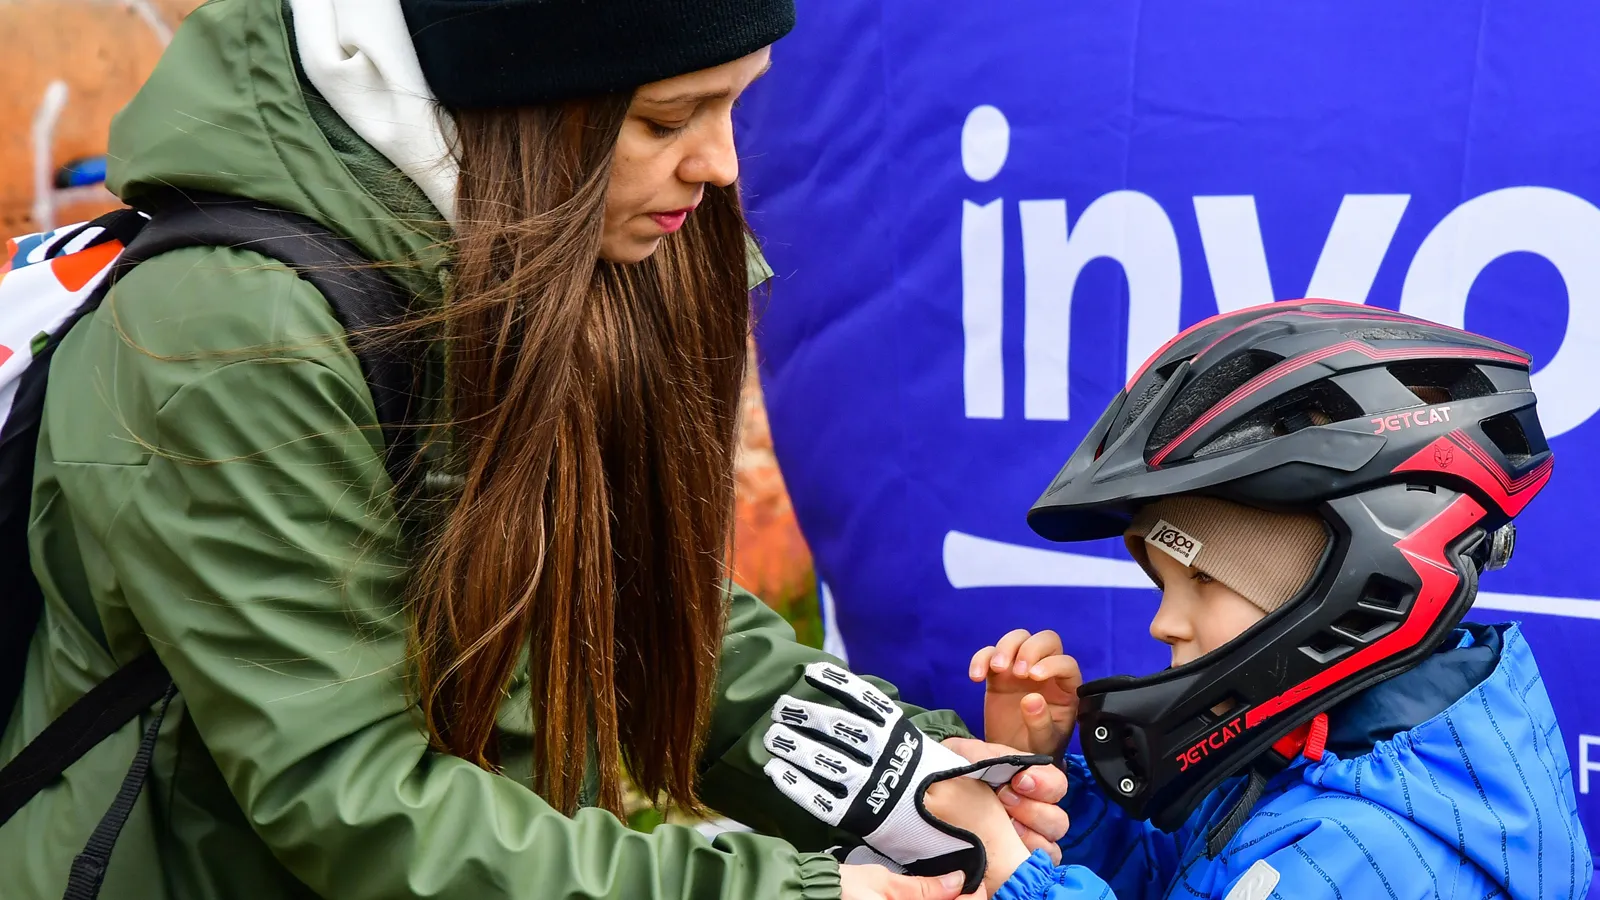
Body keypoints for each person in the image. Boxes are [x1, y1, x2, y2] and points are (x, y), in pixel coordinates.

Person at [0, 1, 1069, 898]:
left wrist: (896, 780)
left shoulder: (540, 241)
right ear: (509, 102)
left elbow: (643, 610)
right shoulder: (227, 335)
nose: (720, 164)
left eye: (738, 101)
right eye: (667, 117)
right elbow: (344, 788)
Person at [764, 301, 1591, 899]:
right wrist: (1050, 794)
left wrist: (1011, 872)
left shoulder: (1375, 852)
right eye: (1161, 582)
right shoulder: (1310, 754)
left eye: (1200, 578)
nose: (1164, 620)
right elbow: (1180, 879)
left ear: (1347, 584)